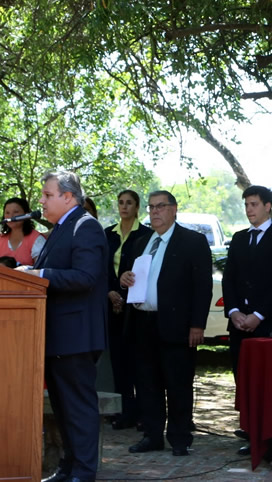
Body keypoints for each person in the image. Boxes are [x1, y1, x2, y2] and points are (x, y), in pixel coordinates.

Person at [25, 171, 108, 482]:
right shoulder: (62, 227)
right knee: (62, 408)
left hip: (76, 335)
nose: (42, 201)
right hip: (56, 335)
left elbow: (85, 277)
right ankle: (69, 467)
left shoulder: (85, 227)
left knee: (78, 407)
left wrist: (39, 274)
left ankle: (84, 472)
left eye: (47, 195)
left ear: (68, 197)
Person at [119, 190, 213, 457]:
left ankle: (180, 438)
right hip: (142, 322)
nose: (155, 212)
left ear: (174, 209)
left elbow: (202, 287)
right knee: (147, 383)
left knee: (178, 383)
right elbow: (129, 276)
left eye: (160, 207)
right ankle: (152, 435)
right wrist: (125, 278)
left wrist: (198, 325)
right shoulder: (142, 242)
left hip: (178, 325)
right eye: (151, 207)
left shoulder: (192, 242)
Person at [221, 185, 272, 455]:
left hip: (269, 325)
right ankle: (252, 435)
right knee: (244, 380)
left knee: (269, 383)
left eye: (254, 204)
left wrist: (258, 315)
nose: (249, 210)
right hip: (239, 324)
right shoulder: (239, 239)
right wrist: (234, 312)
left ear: (267, 206)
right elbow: (229, 279)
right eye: (246, 205)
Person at [103, 189, 153, 431]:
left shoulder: (146, 235)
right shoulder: (107, 234)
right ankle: (125, 412)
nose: (124, 207)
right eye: (121, 202)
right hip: (110, 304)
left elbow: (145, 272)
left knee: (138, 361)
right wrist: (110, 292)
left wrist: (123, 296)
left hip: (135, 306)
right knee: (118, 361)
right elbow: (100, 268)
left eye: (129, 203)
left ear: (137, 207)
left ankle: (144, 413)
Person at [0, 197, 45, 266]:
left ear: (26, 214)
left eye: (16, 212)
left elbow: (40, 270)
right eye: (7, 213)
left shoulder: (37, 239)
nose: (11, 216)